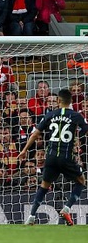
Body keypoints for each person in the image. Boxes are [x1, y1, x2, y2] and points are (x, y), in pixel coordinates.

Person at [20, 89, 88, 226]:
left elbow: (34, 134)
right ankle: (67, 208)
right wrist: (77, 140)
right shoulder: (76, 116)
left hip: (50, 156)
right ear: (71, 102)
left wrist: (24, 150)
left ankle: (31, 217)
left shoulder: (50, 114)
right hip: (66, 157)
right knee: (81, 181)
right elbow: (85, 131)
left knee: (44, 185)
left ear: (58, 101)